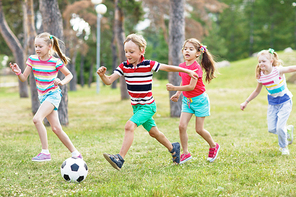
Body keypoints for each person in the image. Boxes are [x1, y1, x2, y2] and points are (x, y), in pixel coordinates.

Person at [97, 34, 199, 170]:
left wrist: (187, 70)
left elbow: (168, 67)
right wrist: (102, 75)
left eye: (131, 52)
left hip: (148, 106)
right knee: (153, 133)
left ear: (141, 51)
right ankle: (173, 148)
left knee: (129, 126)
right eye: (126, 51)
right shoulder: (124, 67)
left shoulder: (148, 64)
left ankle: (119, 158)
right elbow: (109, 81)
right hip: (136, 107)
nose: (128, 54)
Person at [9, 32, 82, 161]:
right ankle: (76, 153)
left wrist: (61, 82)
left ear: (49, 46)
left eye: (40, 46)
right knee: (56, 128)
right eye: (35, 46)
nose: (37, 49)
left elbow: (69, 75)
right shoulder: (32, 59)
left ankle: (45, 152)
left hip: (53, 95)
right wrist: (18, 72)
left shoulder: (55, 62)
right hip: (42, 96)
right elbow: (23, 78)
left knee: (37, 119)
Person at [166, 38, 220, 164]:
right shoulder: (183, 67)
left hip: (200, 101)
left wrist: (174, 88)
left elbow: (191, 86)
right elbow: (183, 81)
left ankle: (213, 145)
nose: (187, 51)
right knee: (181, 126)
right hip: (187, 101)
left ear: (197, 53)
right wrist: (178, 93)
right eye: (185, 49)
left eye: (191, 49)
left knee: (199, 130)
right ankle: (185, 154)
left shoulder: (196, 69)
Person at [240, 48, 294, 155]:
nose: (261, 64)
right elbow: (256, 91)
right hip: (273, 104)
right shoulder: (261, 77)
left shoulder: (278, 70)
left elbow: (290, 68)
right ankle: (287, 131)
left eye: (263, 61)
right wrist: (246, 102)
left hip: (285, 101)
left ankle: (284, 147)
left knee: (279, 128)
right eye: (259, 62)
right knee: (272, 129)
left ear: (271, 61)